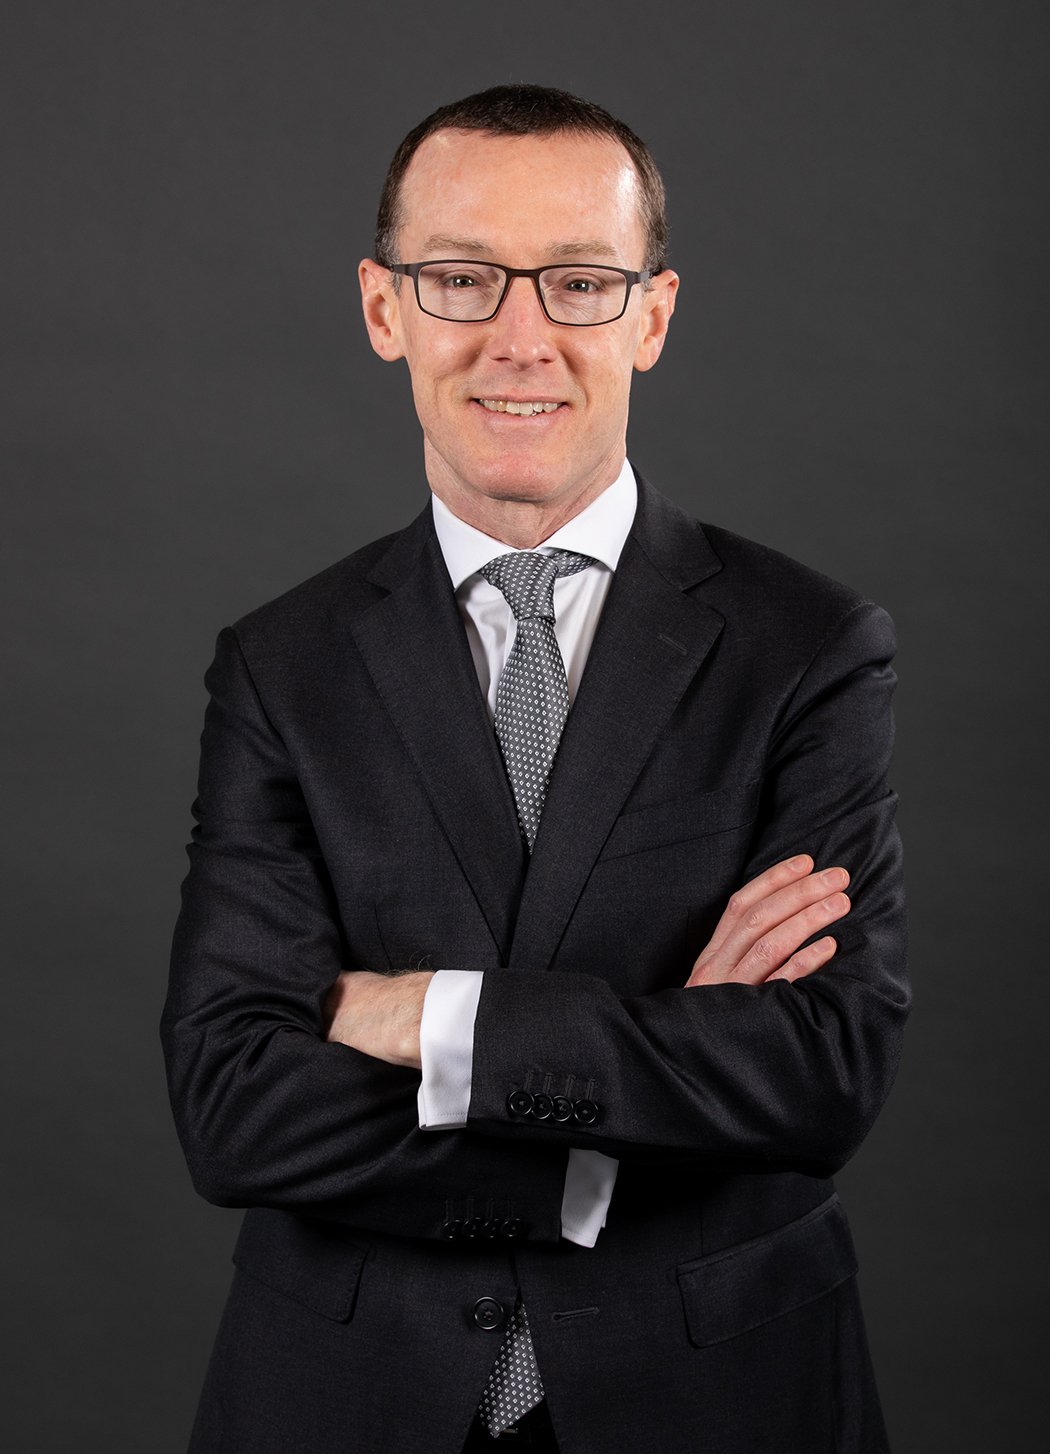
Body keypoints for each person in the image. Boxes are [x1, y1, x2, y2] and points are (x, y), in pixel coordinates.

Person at [162, 84, 908, 1454]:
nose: (521, 338)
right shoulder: (279, 665)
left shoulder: (807, 647)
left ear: (652, 316)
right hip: (347, 1400)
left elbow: (820, 1071)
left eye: (578, 281)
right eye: (461, 278)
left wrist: (430, 1019)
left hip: (717, 1397)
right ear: (384, 309)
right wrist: (635, 1098)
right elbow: (234, 1107)